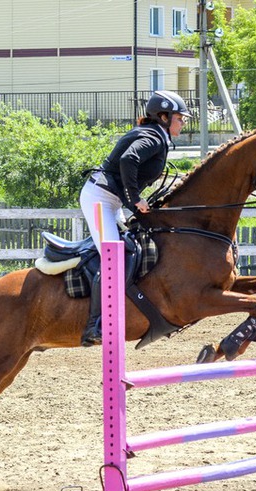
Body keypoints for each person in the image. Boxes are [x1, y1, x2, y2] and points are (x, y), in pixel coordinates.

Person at [78, 90, 192, 346]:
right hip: (99, 198)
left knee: (134, 249)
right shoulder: (152, 136)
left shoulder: (157, 136)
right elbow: (129, 160)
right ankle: (96, 324)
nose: (183, 122)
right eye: (179, 117)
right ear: (163, 116)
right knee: (113, 256)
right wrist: (134, 199)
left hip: (112, 199)